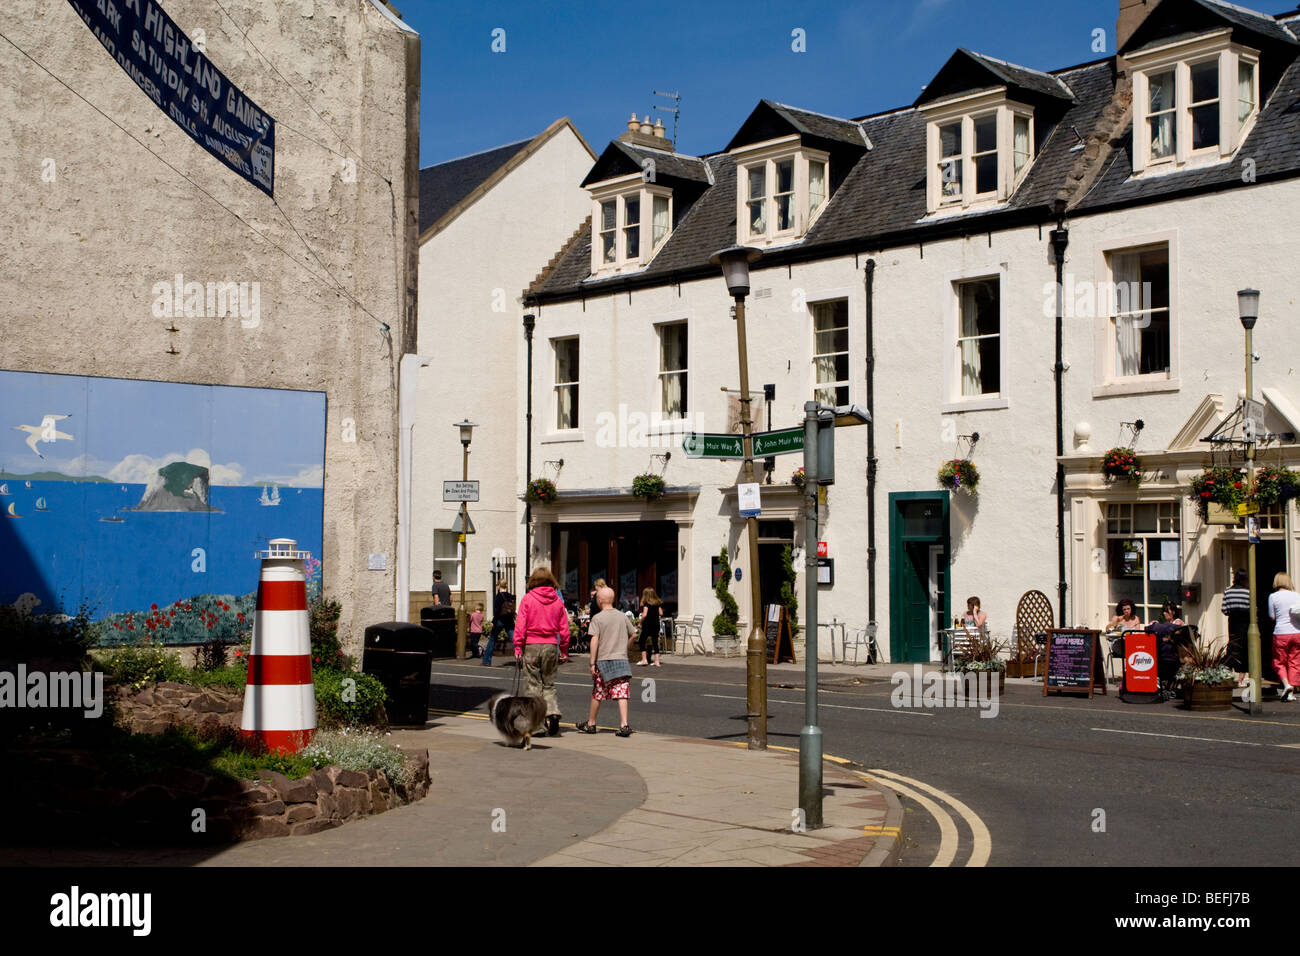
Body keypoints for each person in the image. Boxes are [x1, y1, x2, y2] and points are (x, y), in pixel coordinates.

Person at [513, 566, 570, 736]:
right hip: (551, 646)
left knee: (533, 685)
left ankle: (537, 724)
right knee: (549, 684)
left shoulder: (528, 599)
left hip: (531, 645)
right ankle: (552, 712)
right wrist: (564, 650)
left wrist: (517, 646)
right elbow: (564, 629)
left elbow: (520, 625)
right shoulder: (557, 601)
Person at [576, 586, 635, 737]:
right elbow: (634, 635)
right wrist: (625, 648)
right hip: (621, 659)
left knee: (598, 692)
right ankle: (624, 724)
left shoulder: (597, 618)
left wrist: (592, 662)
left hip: (603, 660)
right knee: (622, 692)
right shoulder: (622, 616)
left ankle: (591, 723)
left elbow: (594, 640)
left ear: (600, 600)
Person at [1267, 572, 1300, 702]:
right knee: (1295, 662)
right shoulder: (1296, 595)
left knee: (1278, 662)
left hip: (1281, 633)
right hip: (1297, 633)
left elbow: (1272, 616)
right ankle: (1291, 694)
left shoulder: (1273, 597)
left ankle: (1287, 685)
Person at [1146, 600, 1186, 700]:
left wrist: (1155, 625)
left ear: (1173, 612)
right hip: (1164, 654)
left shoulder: (1178, 622)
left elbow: (1168, 629)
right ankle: (1162, 686)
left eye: (1166, 611)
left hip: (1175, 655)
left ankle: (1167, 687)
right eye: (1163, 611)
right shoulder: (1165, 624)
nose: (1164, 613)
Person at [1221, 569, 1251, 686]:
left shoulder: (1228, 592)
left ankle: (1228, 673)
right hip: (1245, 623)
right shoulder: (1248, 593)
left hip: (1233, 622)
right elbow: (1253, 608)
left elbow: (1224, 609)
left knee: (1233, 647)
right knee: (1245, 649)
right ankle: (1241, 678)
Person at [486, 580, 514, 668]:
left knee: (492, 639)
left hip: (500, 620)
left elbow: (497, 611)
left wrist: (493, 622)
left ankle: (487, 661)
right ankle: (522, 660)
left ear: (499, 586)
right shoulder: (510, 596)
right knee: (515, 640)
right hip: (509, 620)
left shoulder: (499, 596)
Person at [636, 587, 663, 667]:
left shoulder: (646, 604)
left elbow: (644, 615)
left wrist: (640, 623)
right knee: (655, 642)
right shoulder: (657, 604)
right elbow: (661, 613)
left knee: (642, 640)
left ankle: (644, 660)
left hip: (647, 625)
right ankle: (657, 661)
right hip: (656, 625)